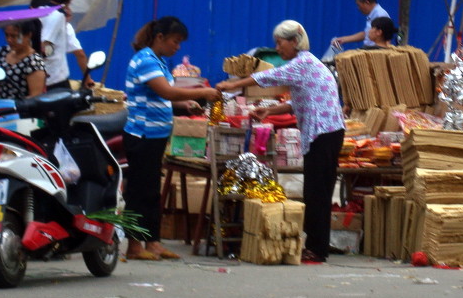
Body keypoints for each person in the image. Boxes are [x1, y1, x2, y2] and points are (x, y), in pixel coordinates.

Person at [217, 20, 345, 263]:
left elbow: (268, 76)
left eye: (280, 42)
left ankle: (317, 249)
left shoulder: (303, 62)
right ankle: (318, 244)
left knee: (317, 191)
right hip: (325, 132)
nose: (277, 48)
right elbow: (299, 101)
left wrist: (232, 84)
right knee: (318, 189)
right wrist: (270, 112)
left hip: (324, 132)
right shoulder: (304, 66)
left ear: (294, 42)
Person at [123, 16, 221, 261]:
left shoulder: (160, 61)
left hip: (156, 135)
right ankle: (134, 246)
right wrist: (201, 92)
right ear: (160, 38)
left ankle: (153, 242)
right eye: (175, 41)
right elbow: (165, 91)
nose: (177, 47)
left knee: (152, 191)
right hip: (142, 134)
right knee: (139, 192)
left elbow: (163, 98)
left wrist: (184, 104)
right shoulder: (145, 60)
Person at [37, 0, 93, 90]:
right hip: (54, 78)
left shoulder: (40, 11)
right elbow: (45, 45)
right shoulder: (58, 16)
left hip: (36, 77)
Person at [0, 19, 46, 100]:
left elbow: (34, 97)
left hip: (18, 110)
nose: (9, 40)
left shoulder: (34, 62)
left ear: (28, 35)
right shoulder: (3, 52)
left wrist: (13, 107)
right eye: (7, 35)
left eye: (14, 36)